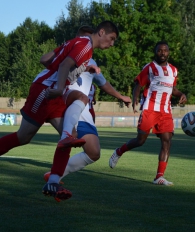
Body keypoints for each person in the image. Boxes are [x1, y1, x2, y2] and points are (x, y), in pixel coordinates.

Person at [0, 22, 119, 202]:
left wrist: (83, 69)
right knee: (23, 137)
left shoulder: (79, 44)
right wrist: (58, 86)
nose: (112, 44)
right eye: (111, 39)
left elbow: (45, 59)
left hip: (54, 92)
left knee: (70, 132)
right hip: (45, 91)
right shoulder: (85, 46)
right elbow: (64, 65)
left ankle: (54, 181)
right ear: (101, 32)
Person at [43, 57, 132, 197]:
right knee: (66, 139)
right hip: (74, 107)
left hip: (86, 113)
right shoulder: (69, 55)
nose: (110, 43)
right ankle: (55, 177)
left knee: (94, 152)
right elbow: (50, 64)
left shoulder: (93, 62)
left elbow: (103, 83)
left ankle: (54, 175)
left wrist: (120, 96)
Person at [109, 41, 187, 186]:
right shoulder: (150, 68)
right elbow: (138, 85)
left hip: (165, 111)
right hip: (150, 109)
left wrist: (181, 94)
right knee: (140, 141)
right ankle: (119, 151)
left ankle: (159, 176)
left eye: (165, 50)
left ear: (169, 52)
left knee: (167, 142)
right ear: (155, 52)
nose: (162, 53)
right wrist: (135, 100)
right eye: (159, 50)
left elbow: (173, 89)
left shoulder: (174, 70)